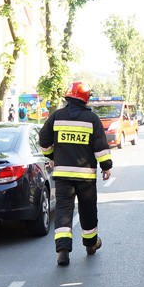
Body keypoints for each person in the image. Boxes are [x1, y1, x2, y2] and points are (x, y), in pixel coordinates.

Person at [39, 81, 112, 266]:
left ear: (68, 96)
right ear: (85, 98)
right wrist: (106, 166)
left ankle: (63, 251)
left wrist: (52, 155)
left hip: (63, 176)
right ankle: (90, 244)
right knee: (87, 211)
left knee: (64, 212)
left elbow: (44, 141)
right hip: (85, 177)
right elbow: (100, 147)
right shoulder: (92, 119)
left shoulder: (56, 116)